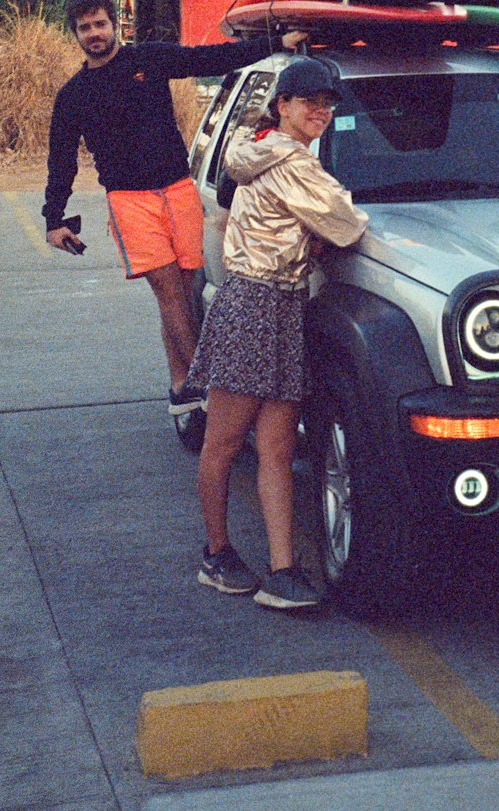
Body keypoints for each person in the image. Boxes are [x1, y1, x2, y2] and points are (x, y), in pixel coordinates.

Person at [42, 0, 296, 416]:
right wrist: (54, 218)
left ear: (113, 24)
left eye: (100, 24)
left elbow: (208, 59)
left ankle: (180, 383)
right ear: (76, 35)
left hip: (179, 190)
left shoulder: (148, 59)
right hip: (129, 200)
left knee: (179, 291)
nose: (94, 34)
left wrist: (272, 44)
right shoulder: (73, 95)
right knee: (167, 291)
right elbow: (61, 161)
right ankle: (207, 381)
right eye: (85, 28)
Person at [189, 55, 368, 609]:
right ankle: (216, 555)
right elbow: (347, 222)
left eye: (328, 102)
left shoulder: (260, 151)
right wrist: (323, 235)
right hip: (254, 303)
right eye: (308, 100)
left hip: (282, 304)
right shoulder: (293, 163)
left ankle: (282, 569)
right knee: (223, 441)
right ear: (282, 105)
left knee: (274, 446)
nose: (320, 109)